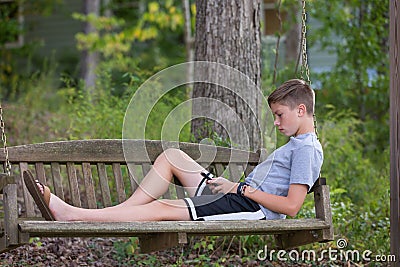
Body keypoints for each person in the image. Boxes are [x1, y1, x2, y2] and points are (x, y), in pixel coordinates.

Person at [25, 79, 323, 222]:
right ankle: (123, 211)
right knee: (171, 157)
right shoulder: (297, 145)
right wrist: (236, 186)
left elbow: (291, 207)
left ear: (300, 110)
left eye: (280, 114)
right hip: (238, 195)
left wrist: (244, 191)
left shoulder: (307, 150)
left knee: (164, 208)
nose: (276, 121)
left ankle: (71, 215)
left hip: (251, 209)